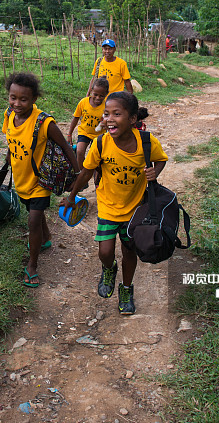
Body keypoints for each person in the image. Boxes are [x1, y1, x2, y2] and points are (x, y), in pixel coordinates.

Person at [63, 92, 167, 315]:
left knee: (129, 250)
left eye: (117, 114)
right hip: (108, 206)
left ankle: (127, 289)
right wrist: (72, 197)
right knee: (105, 251)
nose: (109, 119)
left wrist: (153, 174)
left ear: (132, 119)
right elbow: (86, 172)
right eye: (106, 114)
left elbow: (161, 160)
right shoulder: (101, 144)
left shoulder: (146, 142)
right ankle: (109, 269)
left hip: (135, 209)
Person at [3, 72, 78, 288]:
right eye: (12, 97)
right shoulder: (9, 115)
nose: (17, 103)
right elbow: (10, 138)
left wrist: (76, 175)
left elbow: (66, 147)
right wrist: (9, 157)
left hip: (40, 181)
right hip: (21, 177)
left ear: (34, 99)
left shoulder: (45, 123)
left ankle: (32, 265)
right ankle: (45, 239)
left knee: (33, 219)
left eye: (23, 99)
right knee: (33, 213)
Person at [67, 77, 109, 171]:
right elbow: (75, 118)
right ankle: (79, 173)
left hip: (99, 135)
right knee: (79, 151)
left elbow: (110, 121)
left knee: (97, 156)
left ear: (106, 94)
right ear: (91, 91)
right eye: (95, 94)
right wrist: (69, 134)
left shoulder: (107, 105)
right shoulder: (83, 102)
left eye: (101, 96)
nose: (98, 98)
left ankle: (96, 174)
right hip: (84, 132)